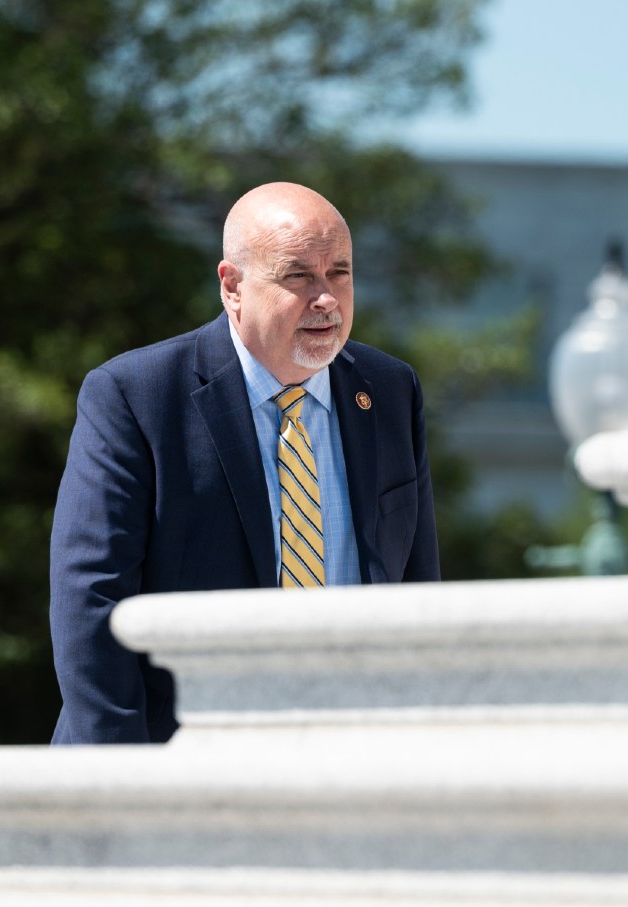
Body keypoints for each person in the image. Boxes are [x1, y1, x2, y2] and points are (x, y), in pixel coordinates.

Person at [49, 182, 439, 745]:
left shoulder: (390, 390)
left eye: (340, 274)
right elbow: (91, 600)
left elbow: (418, 594)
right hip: (180, 760)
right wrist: (121, 783)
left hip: (353, 758)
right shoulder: (136, 395)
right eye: (298, 276)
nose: (326, 299)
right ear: (233, 286)